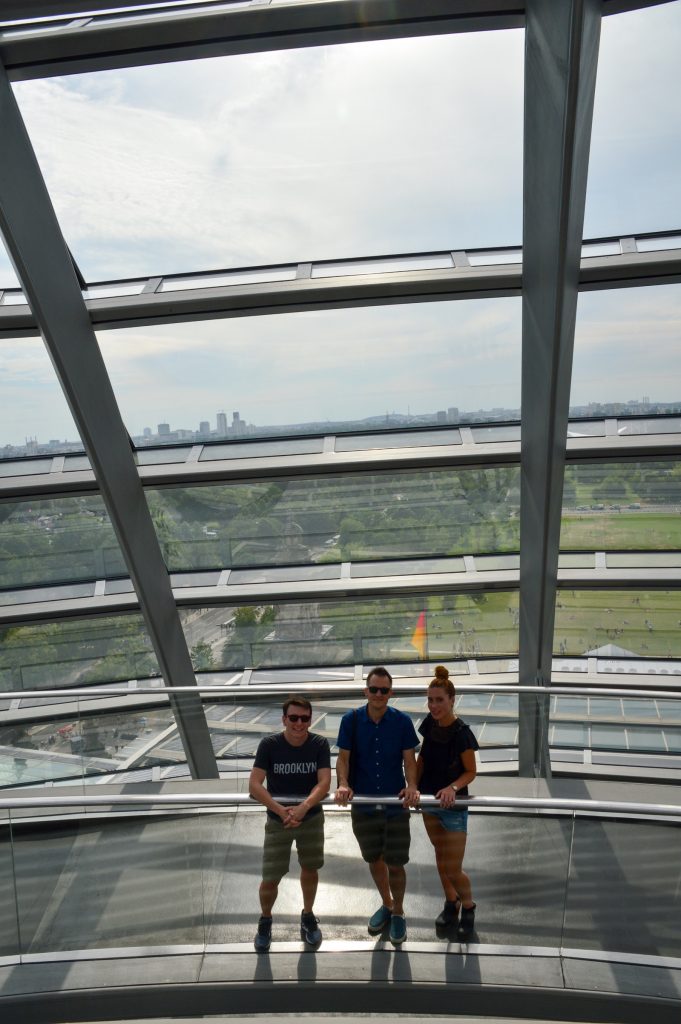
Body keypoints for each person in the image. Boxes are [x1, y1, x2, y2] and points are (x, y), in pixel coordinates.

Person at [334, 666, 420, 945]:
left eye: (384, 690)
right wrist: (343, 784)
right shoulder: (351, 720)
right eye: (374, 689)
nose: (379, 694)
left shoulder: (403, 722)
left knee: (396, 862)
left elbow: (409, 761)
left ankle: (399, 911)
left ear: (391, 693)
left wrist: (412, 787)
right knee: (374, 859)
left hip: (395, 805)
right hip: (364, 805)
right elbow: (343, 759)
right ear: (366, 691)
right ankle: (387, 903)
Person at [249, 695, 331, 951]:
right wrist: (281, 810)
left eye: (304, 718)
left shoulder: (319, 744)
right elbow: (254, 785)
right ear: (284, 719)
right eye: (293, 718)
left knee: (310, 868)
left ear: (310, 719)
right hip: (278, 822)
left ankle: (307, 914)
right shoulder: (269, 745)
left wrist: (304, 808)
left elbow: (325, 782)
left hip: (311, 819)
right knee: (270, 877)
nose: (299, 723)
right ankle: (265, 919)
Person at [416, 664, 479, 940]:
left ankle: (469, 907)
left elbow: (471, 772)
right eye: (430, 700)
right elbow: (423, 759)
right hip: (429, 802)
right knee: (441, 860)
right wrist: (412, 788)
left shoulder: (462, 733)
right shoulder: (429, 724)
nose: (433, 705)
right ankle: (450, 902)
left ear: (452, 700)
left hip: (453, 807)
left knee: (453, 866)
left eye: (439, 700)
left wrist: (453, 787)